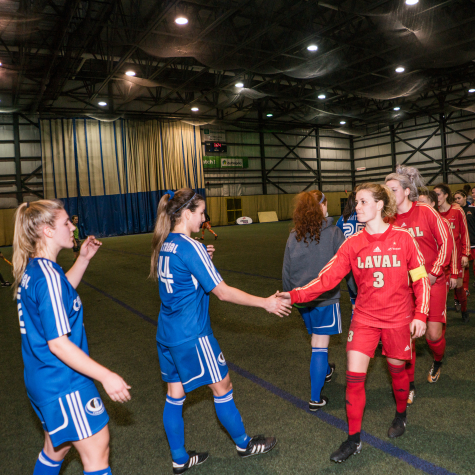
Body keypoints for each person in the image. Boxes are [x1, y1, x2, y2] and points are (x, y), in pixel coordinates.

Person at [277, 183, 429, 463]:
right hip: (365, 319)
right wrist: (295, 294)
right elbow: (327, 279)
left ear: (380, 205)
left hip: (398, 318)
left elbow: (420, 278)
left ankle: (400, 414)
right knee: (353, 379)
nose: (355, 207)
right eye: (356, 202)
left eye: (362, 202)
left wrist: (421, 314)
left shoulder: (404, 238)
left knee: (398, 373)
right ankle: (353, 438)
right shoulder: (352, 243)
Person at [150, 188, 292, 474]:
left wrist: (203, 259)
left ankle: (179, 458)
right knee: (222, 386)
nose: (204, 219)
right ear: (187, 213)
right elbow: (223, 293)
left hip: (167, 334)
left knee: (175, 394)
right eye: (201, 213)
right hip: (192, 335)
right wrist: (265, 303)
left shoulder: (166, 243)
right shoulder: (190, 247)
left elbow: (184, 279)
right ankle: (243, 444)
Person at [12, 200, 131, 475]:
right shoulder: (48, 277)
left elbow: (58, 299)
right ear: (47, 231)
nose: (72, 226)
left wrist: (83, 259)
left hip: (41, 380)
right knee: (97, 451)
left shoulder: (36, 270)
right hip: (64, 382)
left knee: (56, 449)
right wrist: (105, 375)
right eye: (66, 222)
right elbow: (58, 344)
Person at [283, 190, 355, 411]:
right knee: (319, 345)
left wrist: (289, 297)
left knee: (316, 340)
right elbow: (349, 269)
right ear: (322, 207)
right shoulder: (334, 233)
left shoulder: (294, 234)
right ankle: (315, 398)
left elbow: (286, 270)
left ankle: (325, 371)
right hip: (325, 298)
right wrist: (355, 295)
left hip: (301, 299)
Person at [385, 166, 451, 400]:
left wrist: (434, 272)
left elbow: (446, 241)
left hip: (433, 282)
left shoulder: (425, 210)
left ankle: (438, 360)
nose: (388, 194)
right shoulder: (387, 218)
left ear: (406, 190)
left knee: (433, 335)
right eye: (386, 190)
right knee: (408, 336)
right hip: (406, 288)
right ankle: (409, 383)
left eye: (392, 189)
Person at [434, 184, 471, 323]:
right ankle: (439, 318)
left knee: (459, 287)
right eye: (435, 195)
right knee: (441, 289)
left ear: (445, 195)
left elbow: (464, 232)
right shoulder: (434, 213)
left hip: (457, 257)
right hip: (441, 257)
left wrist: (466, 253)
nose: (436, 198)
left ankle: (464, 310)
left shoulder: (457, 210)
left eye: (438, 194)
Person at [336, 190, 364, 311]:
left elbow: (337, 238)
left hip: (348, 260)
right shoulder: (364, 216)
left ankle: (355, 317)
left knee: (354, 296)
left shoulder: (342, 219)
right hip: (363, 259)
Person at [453, 190, 475, 299]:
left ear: (465, 197)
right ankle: (465, 288)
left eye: (459, 198)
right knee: (465, 267)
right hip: (462, 245)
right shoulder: (454, 211)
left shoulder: (472, 210)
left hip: (473, 243)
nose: (457, 200)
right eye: (455, 199)